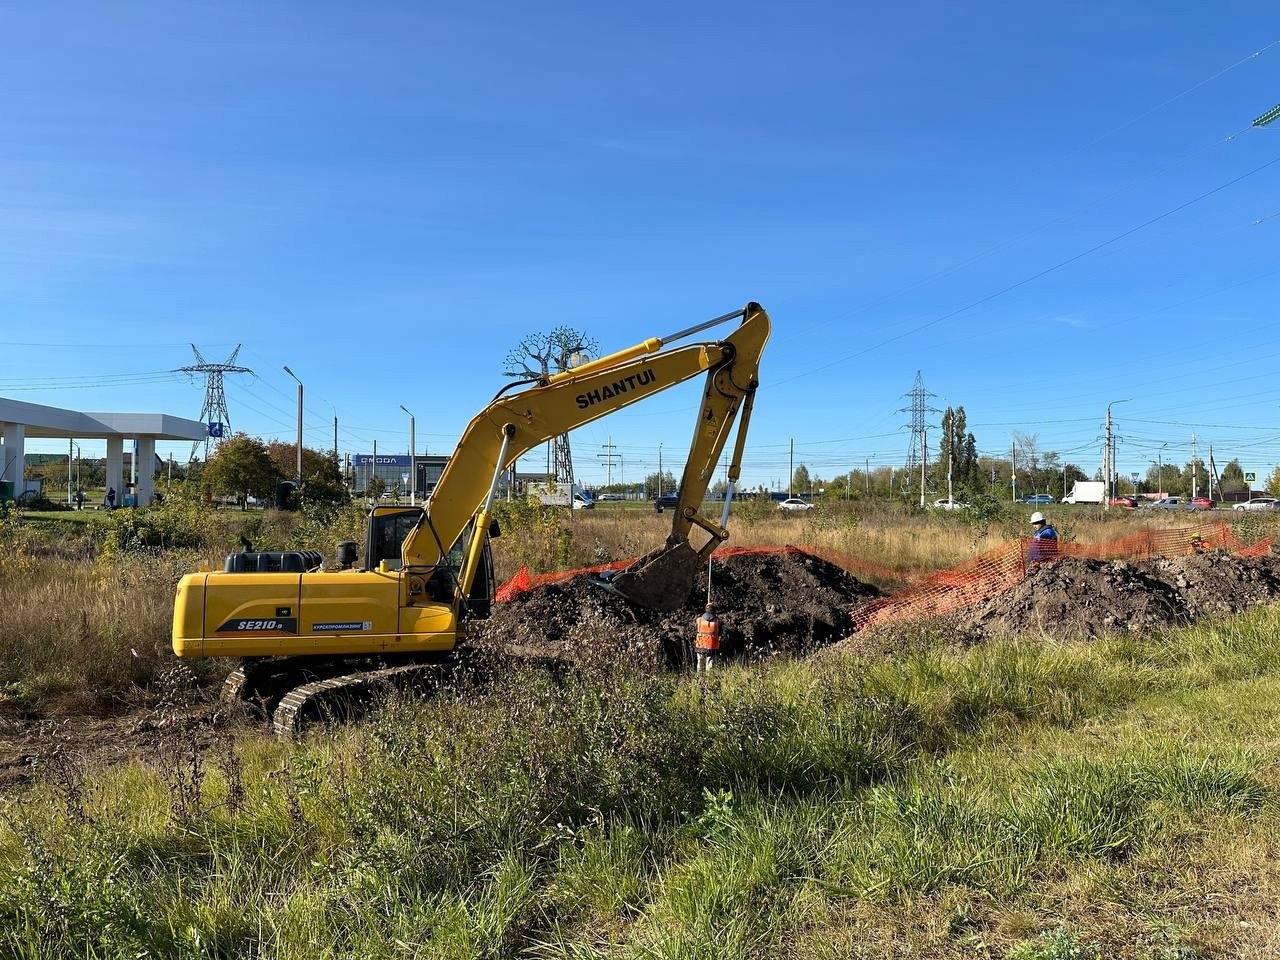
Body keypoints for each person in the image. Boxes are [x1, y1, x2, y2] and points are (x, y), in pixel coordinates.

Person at [694, 603, 722, 674]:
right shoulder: (717, 621)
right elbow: (720, 632)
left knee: (700, 663)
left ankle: (699, 679)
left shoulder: (699, 620)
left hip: (700, 644)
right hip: (712, 646)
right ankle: (709, 681)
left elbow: (696, 631)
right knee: (710, 664)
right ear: (714, 611)